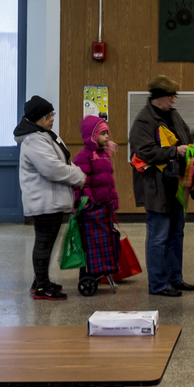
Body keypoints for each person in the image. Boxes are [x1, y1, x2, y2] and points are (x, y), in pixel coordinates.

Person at [130, 75, 194, 297]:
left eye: (174, 97)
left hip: (176, 184)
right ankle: (158, 284)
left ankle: (174, 278)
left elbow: (187, 134)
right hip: (156, 187)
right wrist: (173, 151)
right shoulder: (143, 121)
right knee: (159, 237)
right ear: (157, 98)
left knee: (176, 234)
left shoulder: (173, 115)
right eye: (170, 97)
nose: (173, 101)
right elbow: (144, 151)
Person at [15, 96, 86, 301]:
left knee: (46, 243)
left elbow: (63, 159)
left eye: (52, 115)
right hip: (44, 202)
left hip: (51, 200)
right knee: (44, 244)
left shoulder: (45, 135)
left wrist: (75, 172)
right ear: (38, 118)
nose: (52, 119)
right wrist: (79, 176)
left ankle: (41, 281)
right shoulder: (34, 140)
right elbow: (52, 168)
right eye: (48, 116)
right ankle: (41, 288)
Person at [73, 115, 121, 288]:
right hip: (91, 210)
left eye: (107, 133)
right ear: (91, 136)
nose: (107, 137)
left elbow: (109, 182)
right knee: (89, 243)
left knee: (102, 240)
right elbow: (82, 184)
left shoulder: (104, 155)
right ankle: (86, 275)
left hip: (104, 209)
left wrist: (113, 203)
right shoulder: (83, 157)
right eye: (102, 134)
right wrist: (89, 203)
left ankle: (99, 269)